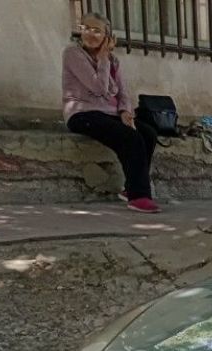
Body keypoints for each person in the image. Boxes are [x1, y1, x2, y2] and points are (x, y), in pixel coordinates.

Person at [62, 14, 162, 214]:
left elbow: (124, 92)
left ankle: (130, 187)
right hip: (82, 112)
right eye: (86, 28)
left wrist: (125, 111)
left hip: (109, 113)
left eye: (97, 31)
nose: (90, 33)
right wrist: (102, 59)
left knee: (148, 134)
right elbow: (98, 88)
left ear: (107, 36)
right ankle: (139, 196)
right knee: (130, 138)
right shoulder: (73, 54)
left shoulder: (114, 61)